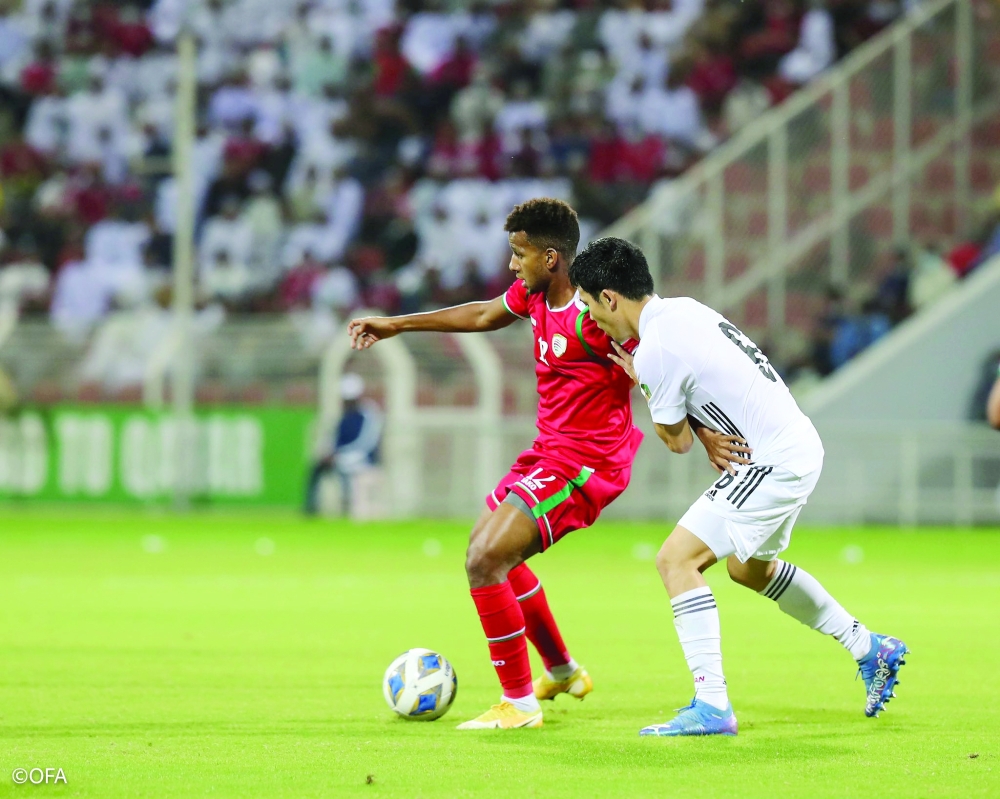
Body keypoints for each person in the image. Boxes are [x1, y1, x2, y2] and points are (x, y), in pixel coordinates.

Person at [348, 199, 746, 729]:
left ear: (551, 257)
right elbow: (484, 314)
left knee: (485, 560)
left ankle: (519, 704)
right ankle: (561, 671)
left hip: (586, 465)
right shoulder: (534, 295)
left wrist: (702, 428)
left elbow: (660, 364)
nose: (512, 264)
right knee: (490, 552)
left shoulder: (595, 317)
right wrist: (398, 325)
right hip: (547, 453)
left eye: (520, 253)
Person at [568, 236, 908, 737]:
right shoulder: (686, 310)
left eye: (590, 304)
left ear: (610, 298)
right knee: (749, 570)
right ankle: (868, 647)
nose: (591, 317)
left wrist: (642, 380)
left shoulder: (655, 349)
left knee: (676, 560)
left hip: (770, 460)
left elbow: (677, 441)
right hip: (794, 445)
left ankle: (712, 705)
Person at [304, 373, 383, 516]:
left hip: (361, 460)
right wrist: (329, 453)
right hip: (342, 458)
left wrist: (340, 455)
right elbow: (335, 439)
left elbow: (366, 442)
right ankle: (311, 508)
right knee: (317, 468)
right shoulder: (344, 416)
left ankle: (347, 506)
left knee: (345, 472)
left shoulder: (368, 415)